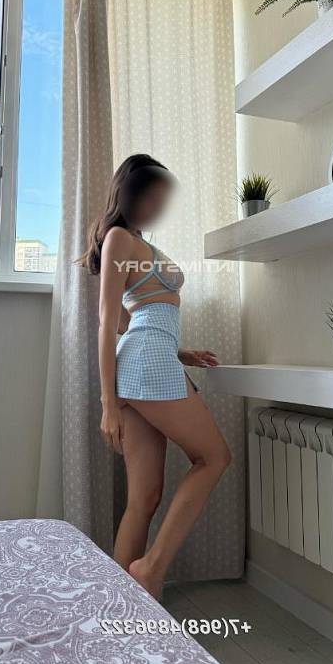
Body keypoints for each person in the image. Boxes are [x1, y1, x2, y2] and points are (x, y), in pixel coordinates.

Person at [80, 153, 231, 598]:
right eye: (153, 197)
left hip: (150, 358)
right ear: (131, 194)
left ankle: (120, 602)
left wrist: (179, 351)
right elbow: (107, 322)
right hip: (147, 367)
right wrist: (108, 405)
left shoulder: (135, 242)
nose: (159, 206)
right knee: (213, 458)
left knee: (144, 498)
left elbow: (134, 321)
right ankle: (149, 569)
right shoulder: (119, 238)